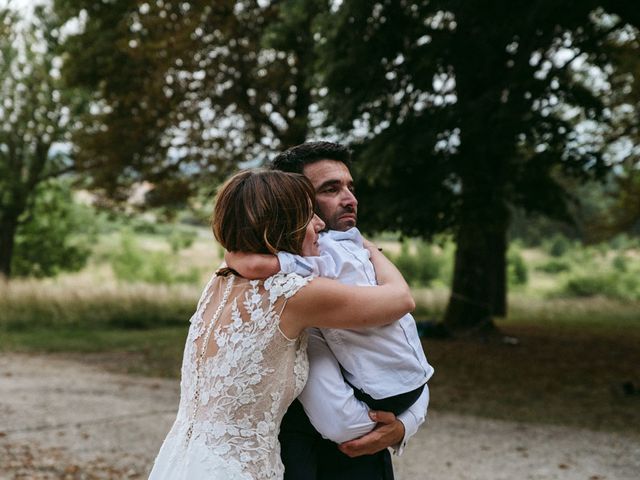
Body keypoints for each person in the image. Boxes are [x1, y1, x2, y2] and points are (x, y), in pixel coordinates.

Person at [147, 169, 416, 480]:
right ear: (283, 225)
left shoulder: (221, 280)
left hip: (183, 460)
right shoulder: (292, 295)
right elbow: (401, 299)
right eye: (309, 215)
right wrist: (366, 247)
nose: (320, 225)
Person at [227, 142, 433, 480]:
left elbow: (406, 350)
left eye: (350, 186)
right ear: (294, 202)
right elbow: (337, 417)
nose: (350, 198)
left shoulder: (357, 257)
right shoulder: (271, 286)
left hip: (365, 464)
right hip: (300, 458)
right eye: (331, 189)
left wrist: (404, 425)